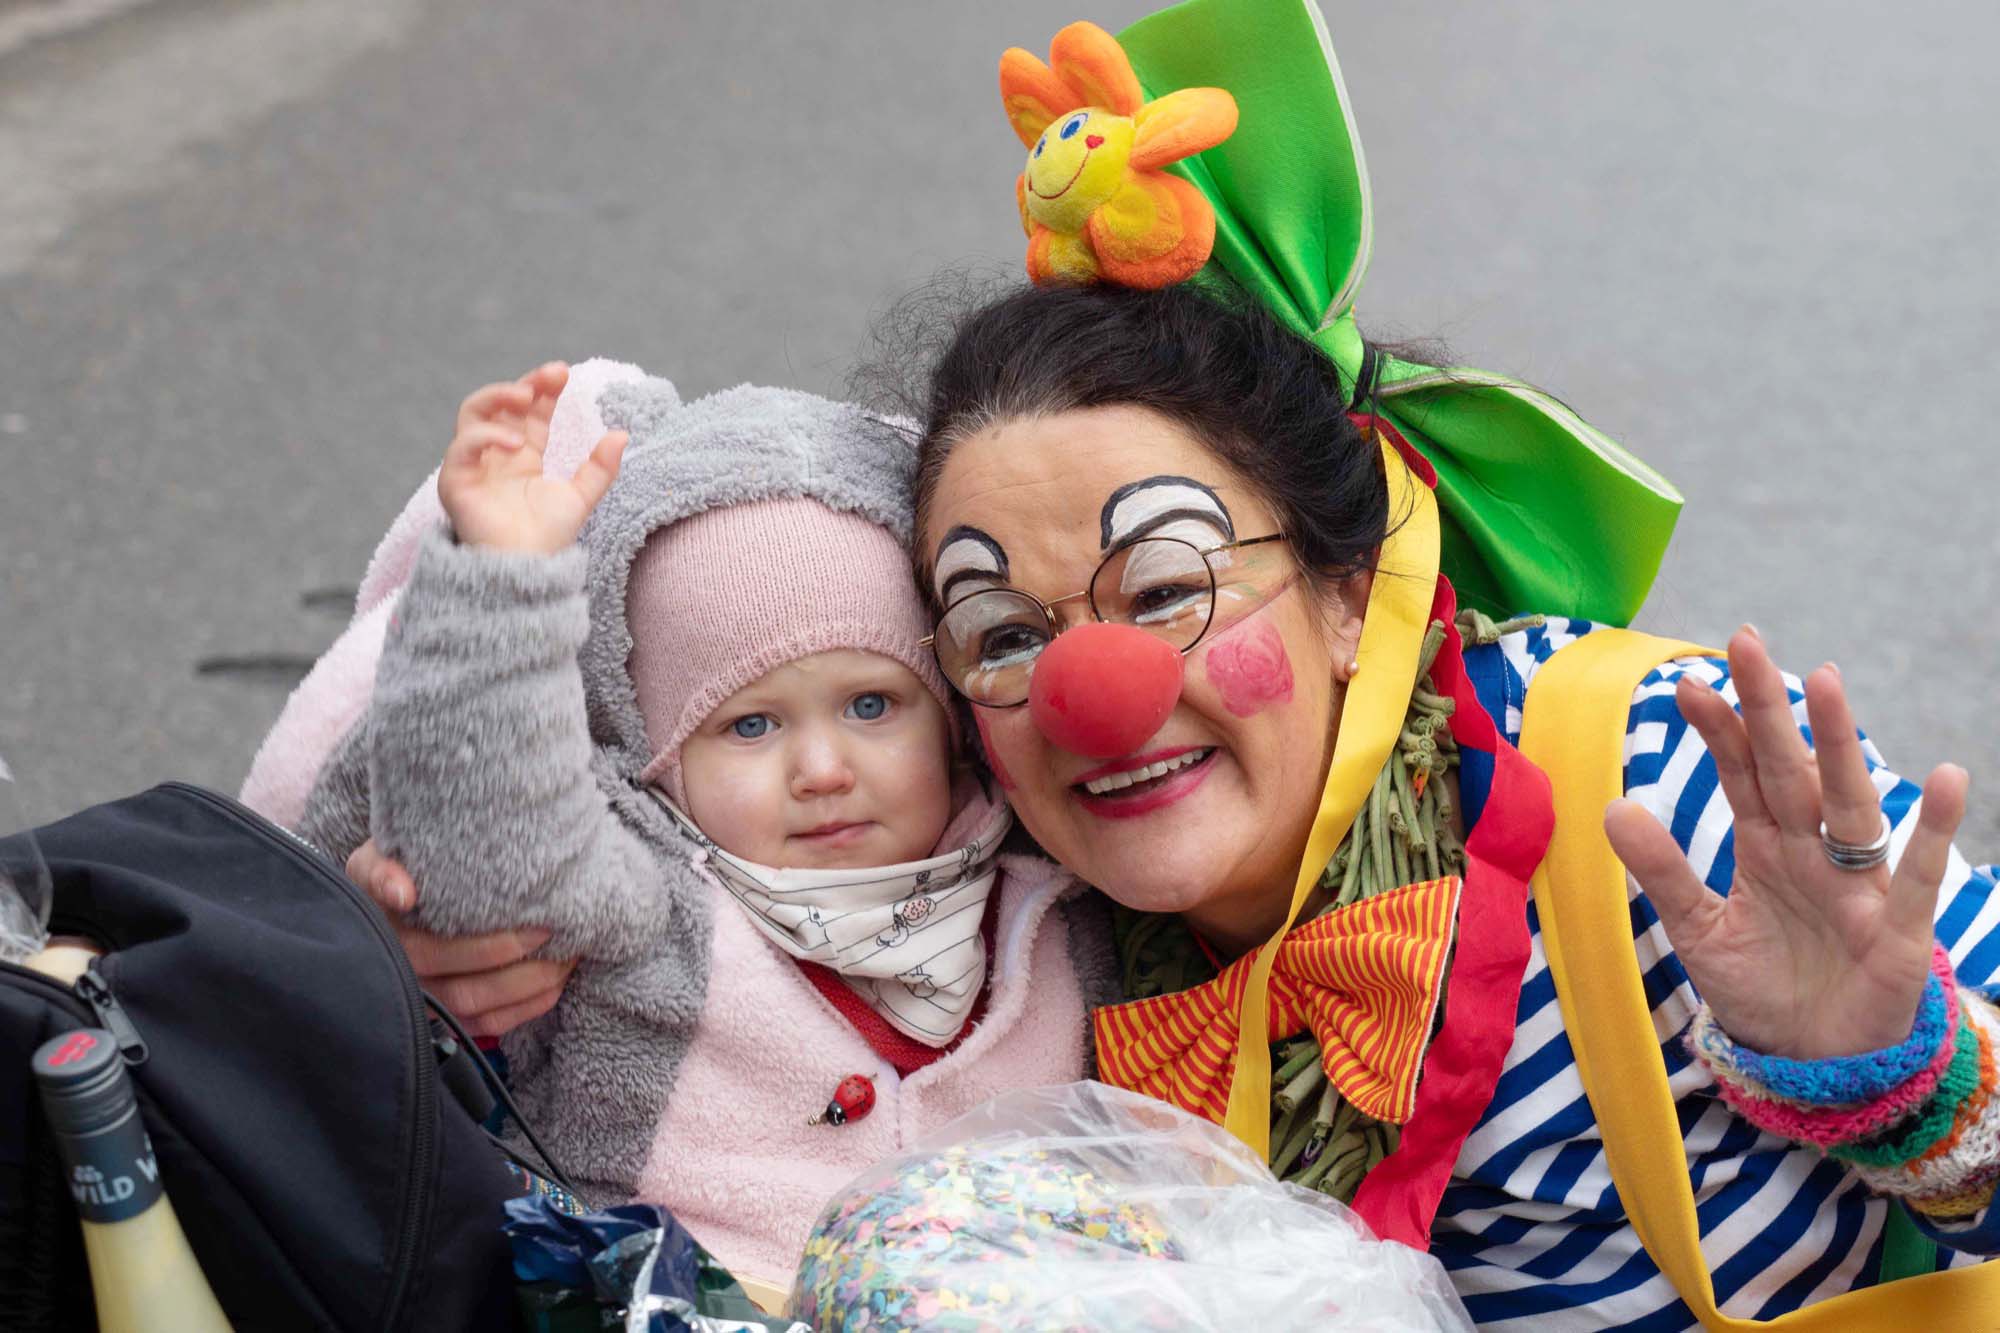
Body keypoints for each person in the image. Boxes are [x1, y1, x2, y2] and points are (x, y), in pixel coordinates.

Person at [259, 1, 2000, 1324]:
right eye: (1003, 631)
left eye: (1163, 585)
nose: (1093, 690)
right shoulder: (1032, 907)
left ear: (1350, 590)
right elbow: (674, 906)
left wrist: (1896, 1067)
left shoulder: (1644, 773)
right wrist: (420, 962)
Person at [290, 363, 1094, 1288]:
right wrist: (502, 590)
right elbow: (488, 849)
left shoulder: (1052, 883)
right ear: (659, 759)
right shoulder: (649, 895)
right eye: (749, 726)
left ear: (949, 720)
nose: (823, 769)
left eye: (872, 704)